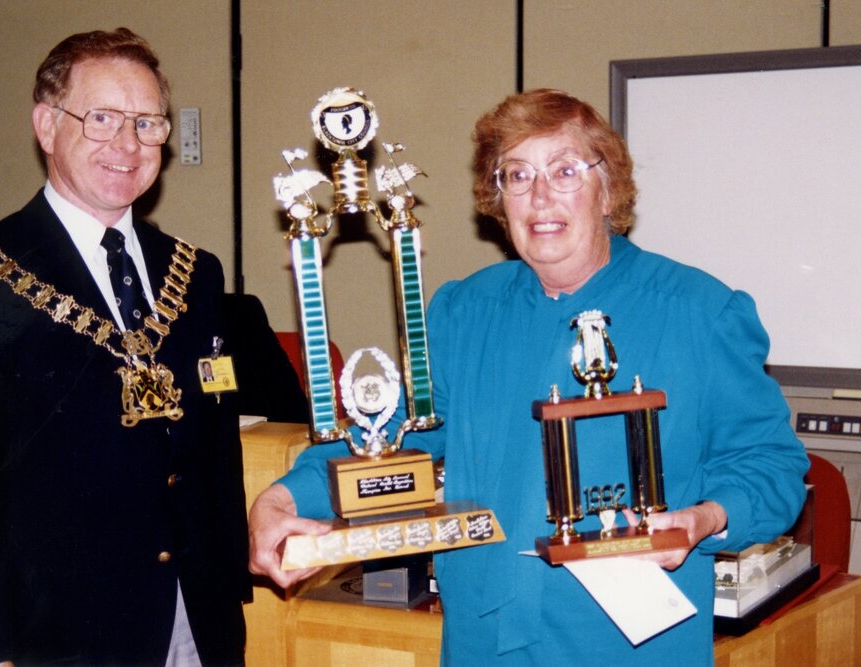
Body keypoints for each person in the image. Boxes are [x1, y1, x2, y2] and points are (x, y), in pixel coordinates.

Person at [248, 89, 810, 665]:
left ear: (608, 188)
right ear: (499, 198)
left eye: (565, 170)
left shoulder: (700, 312)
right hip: (482, 640)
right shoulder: (462, 313)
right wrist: (286, 496)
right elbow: (390, 437)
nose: (540, 196)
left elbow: (772, 466)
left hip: (629, 648)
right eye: (517, 175)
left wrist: (705, 519)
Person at [0, 28, 251, 665]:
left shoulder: (196, 274)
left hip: (195, 618)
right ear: (47, 124)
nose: (127, 144)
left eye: (148, 123)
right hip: (54, 635)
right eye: (102, 118)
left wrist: (229, 589)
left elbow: (216, 453)